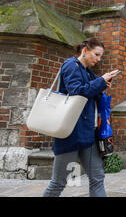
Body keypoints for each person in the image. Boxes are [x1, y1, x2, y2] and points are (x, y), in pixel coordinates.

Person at [43, 38, 120, 197]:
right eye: (96, 54)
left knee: (97, 177)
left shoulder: (87, 72)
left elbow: (91, 94)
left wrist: (104, 84)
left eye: (101, 56)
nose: (98, 59)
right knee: (58, 183)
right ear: (85, 50)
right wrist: (100, 81)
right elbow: (76, 92)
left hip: (88, 134)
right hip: (70, 134)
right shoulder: (71, 65)